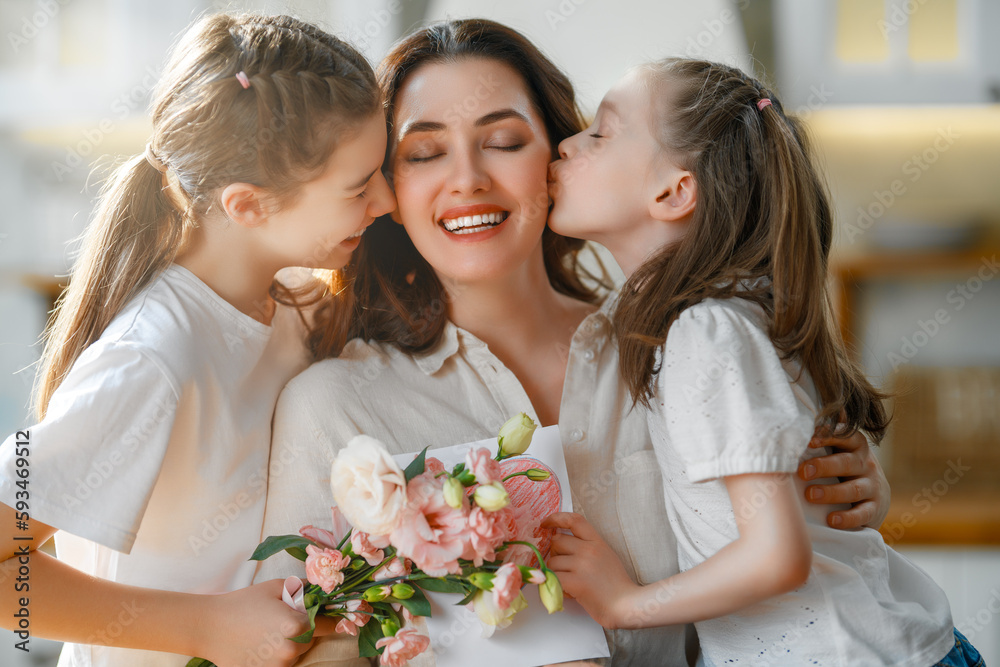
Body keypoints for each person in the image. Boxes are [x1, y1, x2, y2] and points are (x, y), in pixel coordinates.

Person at [257, 20, 891, 667]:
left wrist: (847, 483)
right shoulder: (335, 404)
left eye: (503, 141)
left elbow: (783, 546)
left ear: (559, 158)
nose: (467, 178)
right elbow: (305, 643)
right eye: (424, 153)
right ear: (388, 188)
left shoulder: (676, 344)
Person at [542, 58, 982, 666]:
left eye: (601, 132)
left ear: (674, 191)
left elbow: (776, 556)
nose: (565, 144)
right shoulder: (725, 313)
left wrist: (623, 604)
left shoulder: (705, 331)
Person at [0, 13, 394, 667]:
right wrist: (205, 627)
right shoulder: (151, 360)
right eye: (359, 185)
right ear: (248, 206)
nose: (386, 198)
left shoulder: (292, 297)